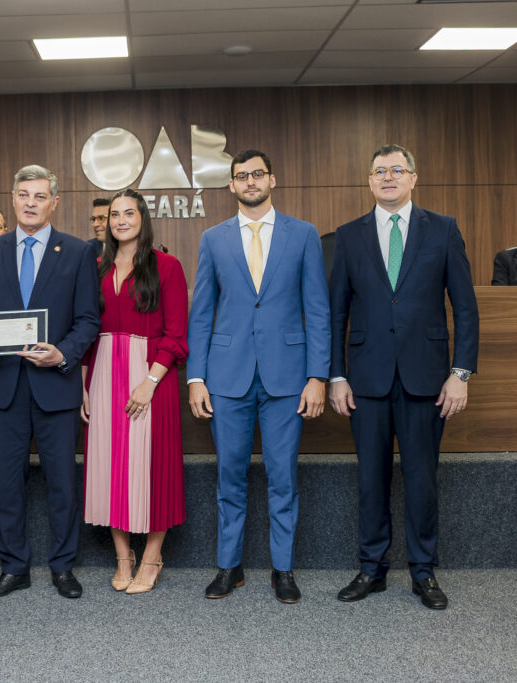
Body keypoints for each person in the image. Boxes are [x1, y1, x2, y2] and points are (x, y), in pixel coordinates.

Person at [329, 144, 479, 610]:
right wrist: (336, 375)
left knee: (421, 478)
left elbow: (467, 309)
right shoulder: (349, 236)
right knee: (371, 479)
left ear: (414, 178)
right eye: (379, 171)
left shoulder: (444, 229)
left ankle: (423, 571)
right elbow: (336, 313)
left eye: (397, 170)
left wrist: (460, 373)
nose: (388, 177)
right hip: (366, 379)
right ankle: (371, 569)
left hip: (427, 378)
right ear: (369, 181)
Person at [187, 149, 330, 604]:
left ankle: (282, 569)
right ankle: (230, 566)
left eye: (257, 174)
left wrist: (317, 377)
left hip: (287, 378)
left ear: (272, 179)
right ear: (230, 185)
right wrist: (195, 377)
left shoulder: (303, 235)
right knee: (229, 475)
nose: (250, 181)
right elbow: (201, 313)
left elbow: (318, 311)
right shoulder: (213, 239)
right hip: (226, 377)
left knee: (282, 475)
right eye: (241, 176)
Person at [0, 164, 100, 599]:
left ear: (54, 202)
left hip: (55, 386)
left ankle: (62, 567)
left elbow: (87, 320)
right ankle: (14, 567)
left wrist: (64, 353)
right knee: (7, 483)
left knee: (62, 482)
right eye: (23, 194)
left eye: (39, 196)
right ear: (13, 197)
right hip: (4, 385)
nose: (30, 202)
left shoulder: (78, 252)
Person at [81, 189, 188, 594]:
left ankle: (151, 557)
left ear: (143, 217)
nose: (121, 220)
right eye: (114, 214)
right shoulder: (94, 267)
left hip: (150, 375)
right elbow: (87, 330)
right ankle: (123, 557)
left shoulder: (167, 266)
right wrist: (84, 384)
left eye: (129, 213)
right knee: (109, 467)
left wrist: (150, 381)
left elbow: (177, 333)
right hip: (104, 372)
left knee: (152, 468)